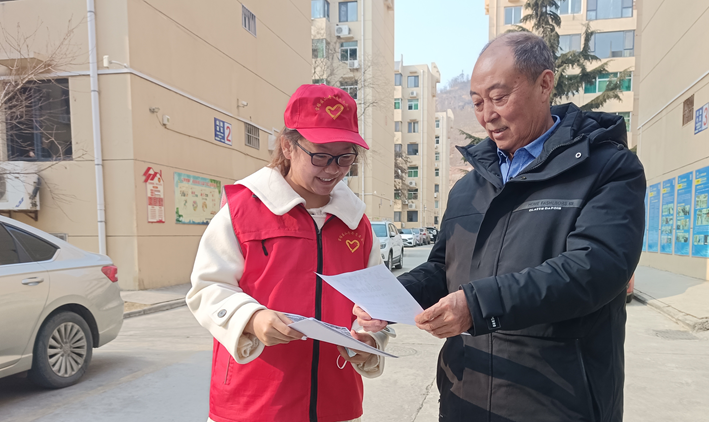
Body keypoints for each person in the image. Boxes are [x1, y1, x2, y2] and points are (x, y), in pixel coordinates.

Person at [356, 32, 646, 421]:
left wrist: (477, 306)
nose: (486, 115)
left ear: (545, 84)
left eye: (498, 98)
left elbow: (595, 269)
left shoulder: (606, 169)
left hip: (559, 402)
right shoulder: (468, 188)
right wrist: (392, 296)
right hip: (466, 397)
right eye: (477, 102)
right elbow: (444, 270)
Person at [188, 84, 393, 422]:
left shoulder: (357, 223)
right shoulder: (242, 210)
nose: (333, 169)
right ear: (287, 145)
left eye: (345, 157)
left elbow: (375, 306)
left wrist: (368, 338)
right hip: (253, 402)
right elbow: (207, 288)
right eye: (321, 156)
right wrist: (253, 319)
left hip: (336, 401)